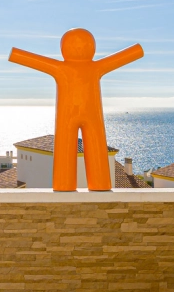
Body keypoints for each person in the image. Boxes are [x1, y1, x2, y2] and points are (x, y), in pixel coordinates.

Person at [9, 29, 143, 191]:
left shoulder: (60, 67)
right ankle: (99, 183)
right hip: (93, 116)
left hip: (67, 116)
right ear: (92, 47)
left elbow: (30, 59)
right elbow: (126, 55)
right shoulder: (95, 67)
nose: (79, 48)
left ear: (63, 48)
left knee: (64, 149)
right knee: (96, 146)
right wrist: (137, 50)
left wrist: (15, 54)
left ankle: (64, 184)